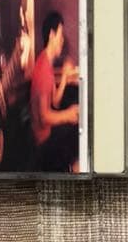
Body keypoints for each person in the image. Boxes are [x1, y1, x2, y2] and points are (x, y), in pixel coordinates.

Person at [30, 11, 79, 172]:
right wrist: (68, 115)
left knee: (77, 118)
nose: (62, 40)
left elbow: (55, 102)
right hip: (43, 145)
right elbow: (44, 116)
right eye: (61, 35)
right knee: (77, 134)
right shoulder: (43, 69)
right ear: (52, 35)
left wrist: (64, 76)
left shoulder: (46, 62)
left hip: (48, 134)